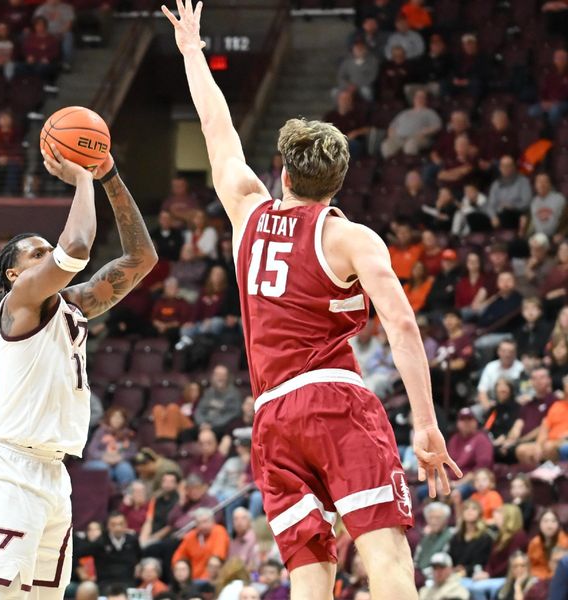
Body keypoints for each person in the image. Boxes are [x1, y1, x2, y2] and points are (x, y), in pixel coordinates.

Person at [164, 5, 460, 600]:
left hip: (271, 415)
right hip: (334, 401)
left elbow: (216, 133)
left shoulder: (247, 213)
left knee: (309, 576)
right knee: (386, 558)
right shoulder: (349, 237)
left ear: (283, 173)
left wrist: (193, 51)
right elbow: (401, 326)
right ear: (338, 181)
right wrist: (425, 423)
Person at [0, 140, 156, 598]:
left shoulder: (73, 305)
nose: (47, 255)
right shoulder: (20, 302)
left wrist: (110, 176)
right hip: (11, 468)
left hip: (55, 474)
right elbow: (75, 247)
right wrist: (84, 179)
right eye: (36, 254)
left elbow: (142, 259)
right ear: (14, 275)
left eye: (45, 250)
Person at [75, 512, 141, 589]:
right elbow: (76, 554)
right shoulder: (100, 542)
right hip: (105, 583)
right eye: (113, 524)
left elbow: (140, 556)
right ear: (108, 526)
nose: (118, 528)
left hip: (128, 582)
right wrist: (79, 570)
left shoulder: (133, 540)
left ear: (126, 524)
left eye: (121, 524)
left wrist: (139, 566)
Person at [84, 406, 138, 486]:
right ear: (109, 418)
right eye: (114, 417)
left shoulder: (128, 434)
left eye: (120, 417)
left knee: (125, 468)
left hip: (119, 461)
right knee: (103, 468)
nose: (117, 420)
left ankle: (126, 493)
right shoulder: (100, 431)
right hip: (99, 461)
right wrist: (105, 456)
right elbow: (92, 450)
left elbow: (132, 452)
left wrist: (121, 457)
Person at [171, 507, 230, 581]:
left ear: (213, 521)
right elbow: (177, 558)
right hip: (192, 580)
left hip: (213, 580)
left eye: (205, 521)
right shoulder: (190, 536)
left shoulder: (219, 532)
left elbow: (217, 558)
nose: (203, 526)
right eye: (199, 523)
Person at [380, 89, 442, 159]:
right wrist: (392, 136)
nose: (419, 99)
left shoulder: (430, 112)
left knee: (410, 145)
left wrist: (426, 132)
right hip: (399, 137)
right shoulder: (404, 112)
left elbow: (437, 126)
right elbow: (392, 126)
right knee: (386, 145)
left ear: (426, 100)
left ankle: (411, 167)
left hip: (418, 137)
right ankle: (393, 167)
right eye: (417, 97)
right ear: (413, 99)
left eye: (422, 97)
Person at [447, 500, 493, 576]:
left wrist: (467, 570)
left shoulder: (485, 537)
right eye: (466, 509)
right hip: (455, 574)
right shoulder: (456, 537)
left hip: (476, 575)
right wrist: (453, 568)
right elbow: (450, 557)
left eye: (474, 509)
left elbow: (483, 561)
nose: (469, 511)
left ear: (479, 513)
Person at [529, 48, 568, 126]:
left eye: (561, 58)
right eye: (556, 58)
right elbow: (544, 90)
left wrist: (554, 103)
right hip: (550, 102)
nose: (558, 61)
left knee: (555, 110)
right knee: (532, 111)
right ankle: (544, 125)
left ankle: (553, 130)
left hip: (563, 102)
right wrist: (543, 101)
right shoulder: (550, 74)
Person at [34, 0, 76, 70]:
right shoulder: (41, 9)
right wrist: (47, 35)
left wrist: (60, 33)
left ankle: (66, 63)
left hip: (62, 32)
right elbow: (37, 25)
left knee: (69, 35)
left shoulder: (67, 8)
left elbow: (69, 25)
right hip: (46, 33)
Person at [527, 509, 568, 581]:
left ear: (558, 524)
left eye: (553, 521)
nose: (549, 526)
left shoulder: (565, 541)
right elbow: (530, 566)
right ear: (539, 524)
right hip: (537, 578)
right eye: (545, 521)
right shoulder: (534, 542)